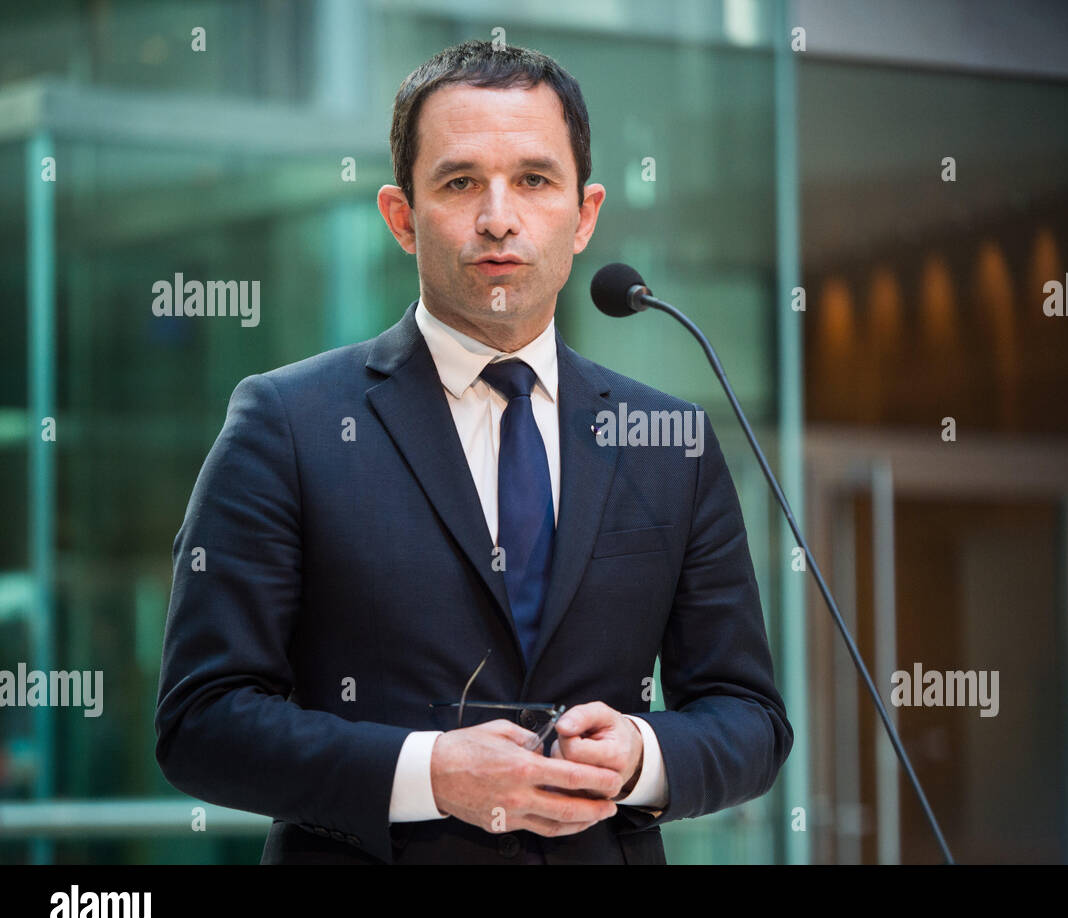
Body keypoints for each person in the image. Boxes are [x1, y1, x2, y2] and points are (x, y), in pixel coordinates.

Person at [154, 39, 792, 865]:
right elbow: (200, 718)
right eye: (460, 182)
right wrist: (426, 770)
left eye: (534, 179)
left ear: (585, 213)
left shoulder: (670, 441)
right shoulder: (285, 423)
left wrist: (641, 754)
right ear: (402, 216)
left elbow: (750, 717)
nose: (499, 215)